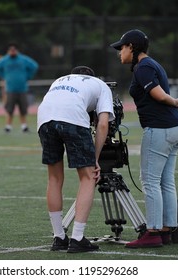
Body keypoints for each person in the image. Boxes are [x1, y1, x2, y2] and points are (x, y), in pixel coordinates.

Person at [110, 29, 178, 248]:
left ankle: (153, 232)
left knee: (150, 181)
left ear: (132, 47)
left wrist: (174, 101)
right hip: (177, 126)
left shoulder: (143, 67)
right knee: (165, 180)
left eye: (122, 48)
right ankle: (166, 229)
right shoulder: (153, 64)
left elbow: (157, 94)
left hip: (161, 128)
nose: (120, 52)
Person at [37, 66, 115, 253]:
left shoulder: (60, 80)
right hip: (71, 118)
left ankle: (59, 237)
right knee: (88, 177)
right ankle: (78, 238)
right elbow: (103, 124)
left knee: (54, 178)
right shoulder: (101, 85)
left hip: (44, 119)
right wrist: (94, 158)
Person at [0, 43, 38, 133]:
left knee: (23, 109)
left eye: (14, 50)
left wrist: (28, 76)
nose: (12, 52)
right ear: (8, 51)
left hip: (22, 89)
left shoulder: (23, 59)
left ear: (17, 50)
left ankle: (24, 126)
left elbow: (34, 66)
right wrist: (4, 76)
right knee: (9, 109)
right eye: (11, 50)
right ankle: (8, 126)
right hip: (10, 89)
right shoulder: (5, 60)